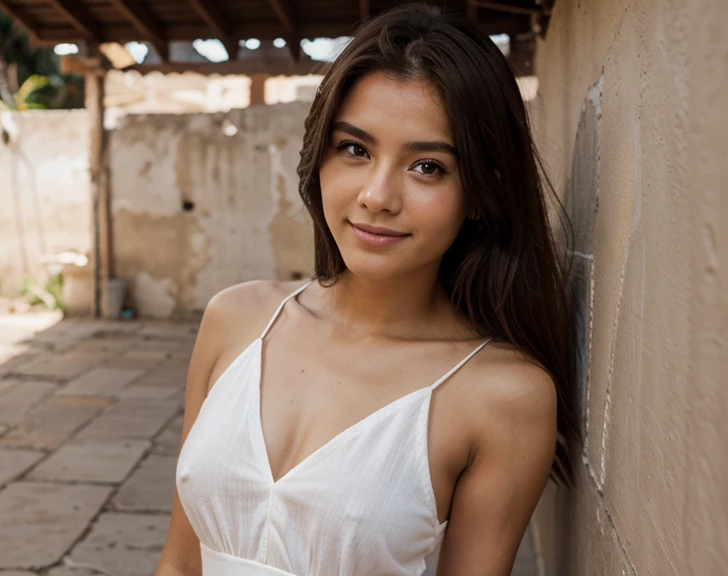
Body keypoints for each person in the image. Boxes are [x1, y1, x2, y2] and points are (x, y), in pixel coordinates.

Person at [156, 3, 578, 575]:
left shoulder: (502, 394)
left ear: (481, 192)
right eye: (355, 149)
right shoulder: (237, 319)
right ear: (320, 159)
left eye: (427, 166)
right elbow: (181, 563)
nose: (377, 195)